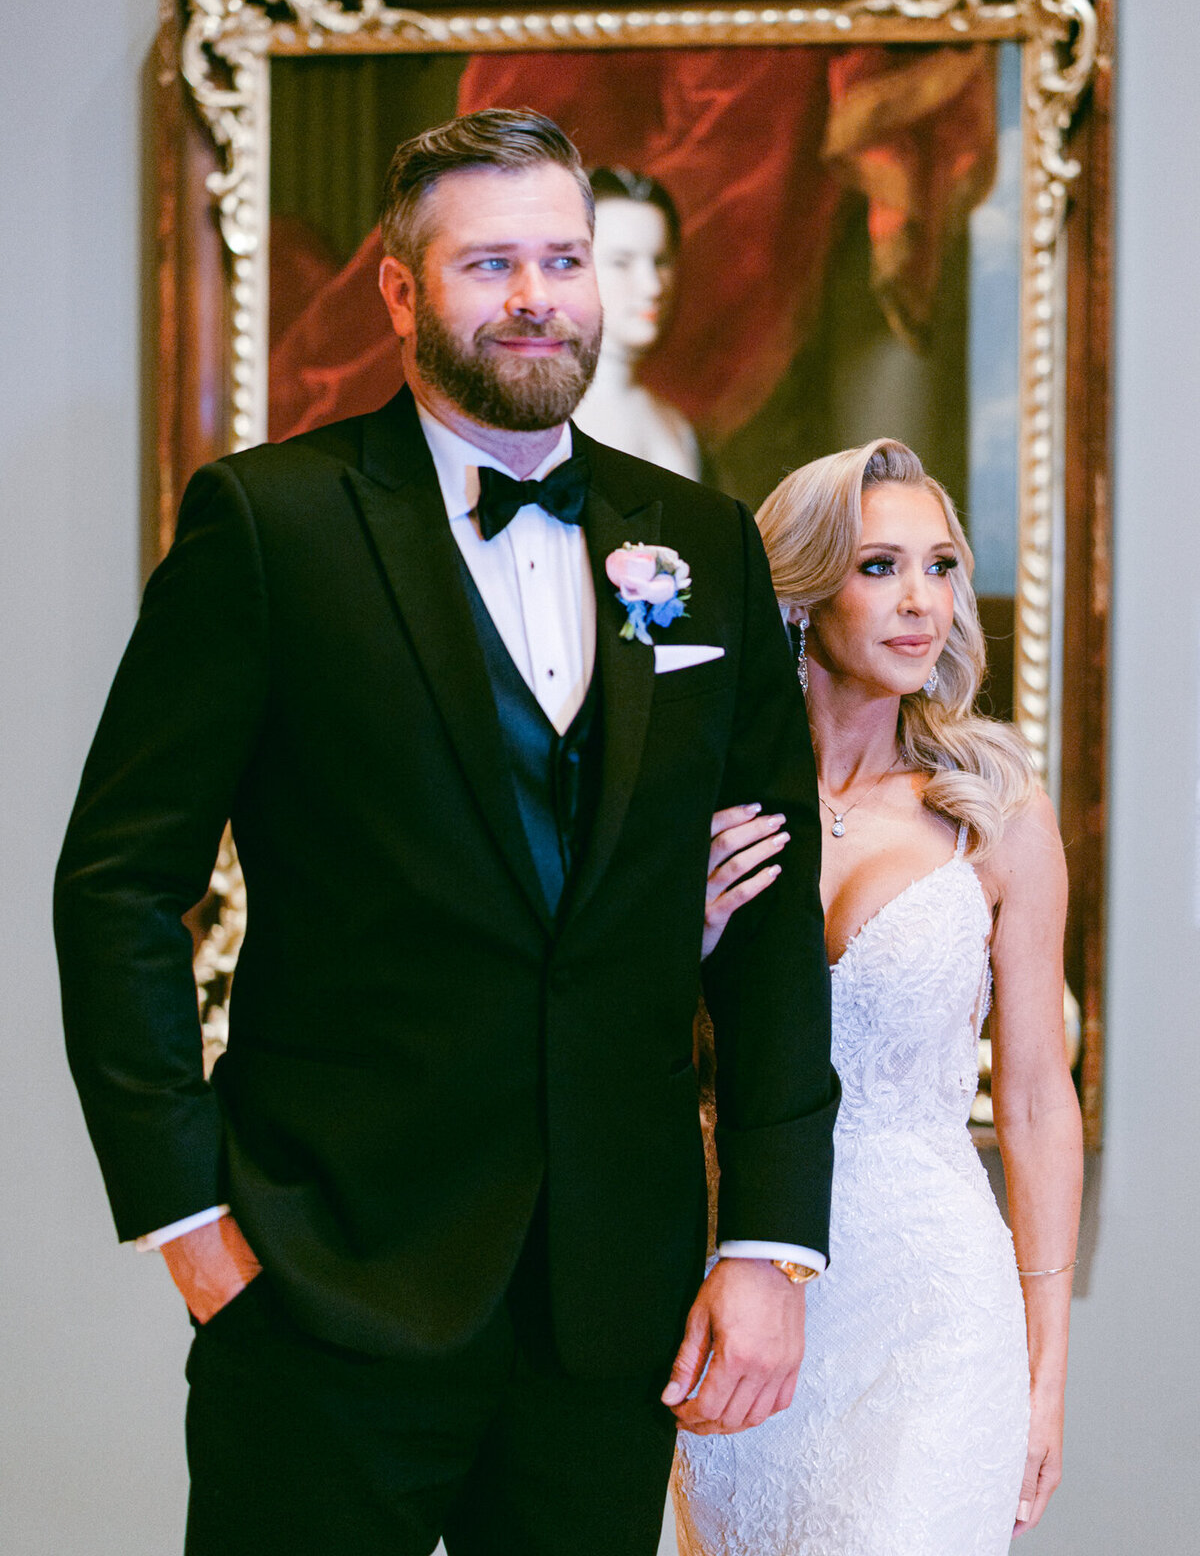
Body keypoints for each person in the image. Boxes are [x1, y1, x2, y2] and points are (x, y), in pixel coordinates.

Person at [54, 109, 839, 1556]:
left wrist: (767, 1243)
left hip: (609, 1301)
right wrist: (182, 1215)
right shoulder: (269, 524)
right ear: (404, 293)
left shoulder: (702, 542)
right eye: (490, 264)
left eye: (563, 258)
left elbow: (777, 917)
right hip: (321, 1272)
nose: (537, 295)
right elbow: (116, 884)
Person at [674, 439, 1083, 1556]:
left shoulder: (993, 808)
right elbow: (619, 1050)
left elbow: (1041, 1099)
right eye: (881, 567)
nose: (923, 602)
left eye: (942, 566)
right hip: (741, 1292)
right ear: (802, 595)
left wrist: (1046, 1368)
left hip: (937, 1310)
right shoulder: (697, 803)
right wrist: (685, 936)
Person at [571, 165, 701, 479]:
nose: (653, 287)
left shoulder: (675, 425)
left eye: (660, 262)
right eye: (621, 262)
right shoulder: (540, 421)